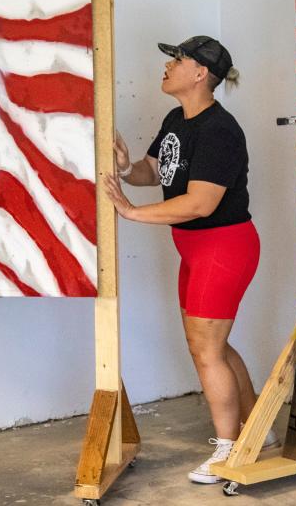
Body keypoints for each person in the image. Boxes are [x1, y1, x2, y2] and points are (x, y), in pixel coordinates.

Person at [103, 36, 276, 485]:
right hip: (195, 247)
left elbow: (200, 202)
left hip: (223, 246)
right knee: (212, 347)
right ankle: (259, 428)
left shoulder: (221, 130)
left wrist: (130, 212)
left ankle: (227, 453)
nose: (167, 66)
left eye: (176, 59)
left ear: (201, 73)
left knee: (206, 351)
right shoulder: (176, 118)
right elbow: (156, 171)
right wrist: (126, 168)